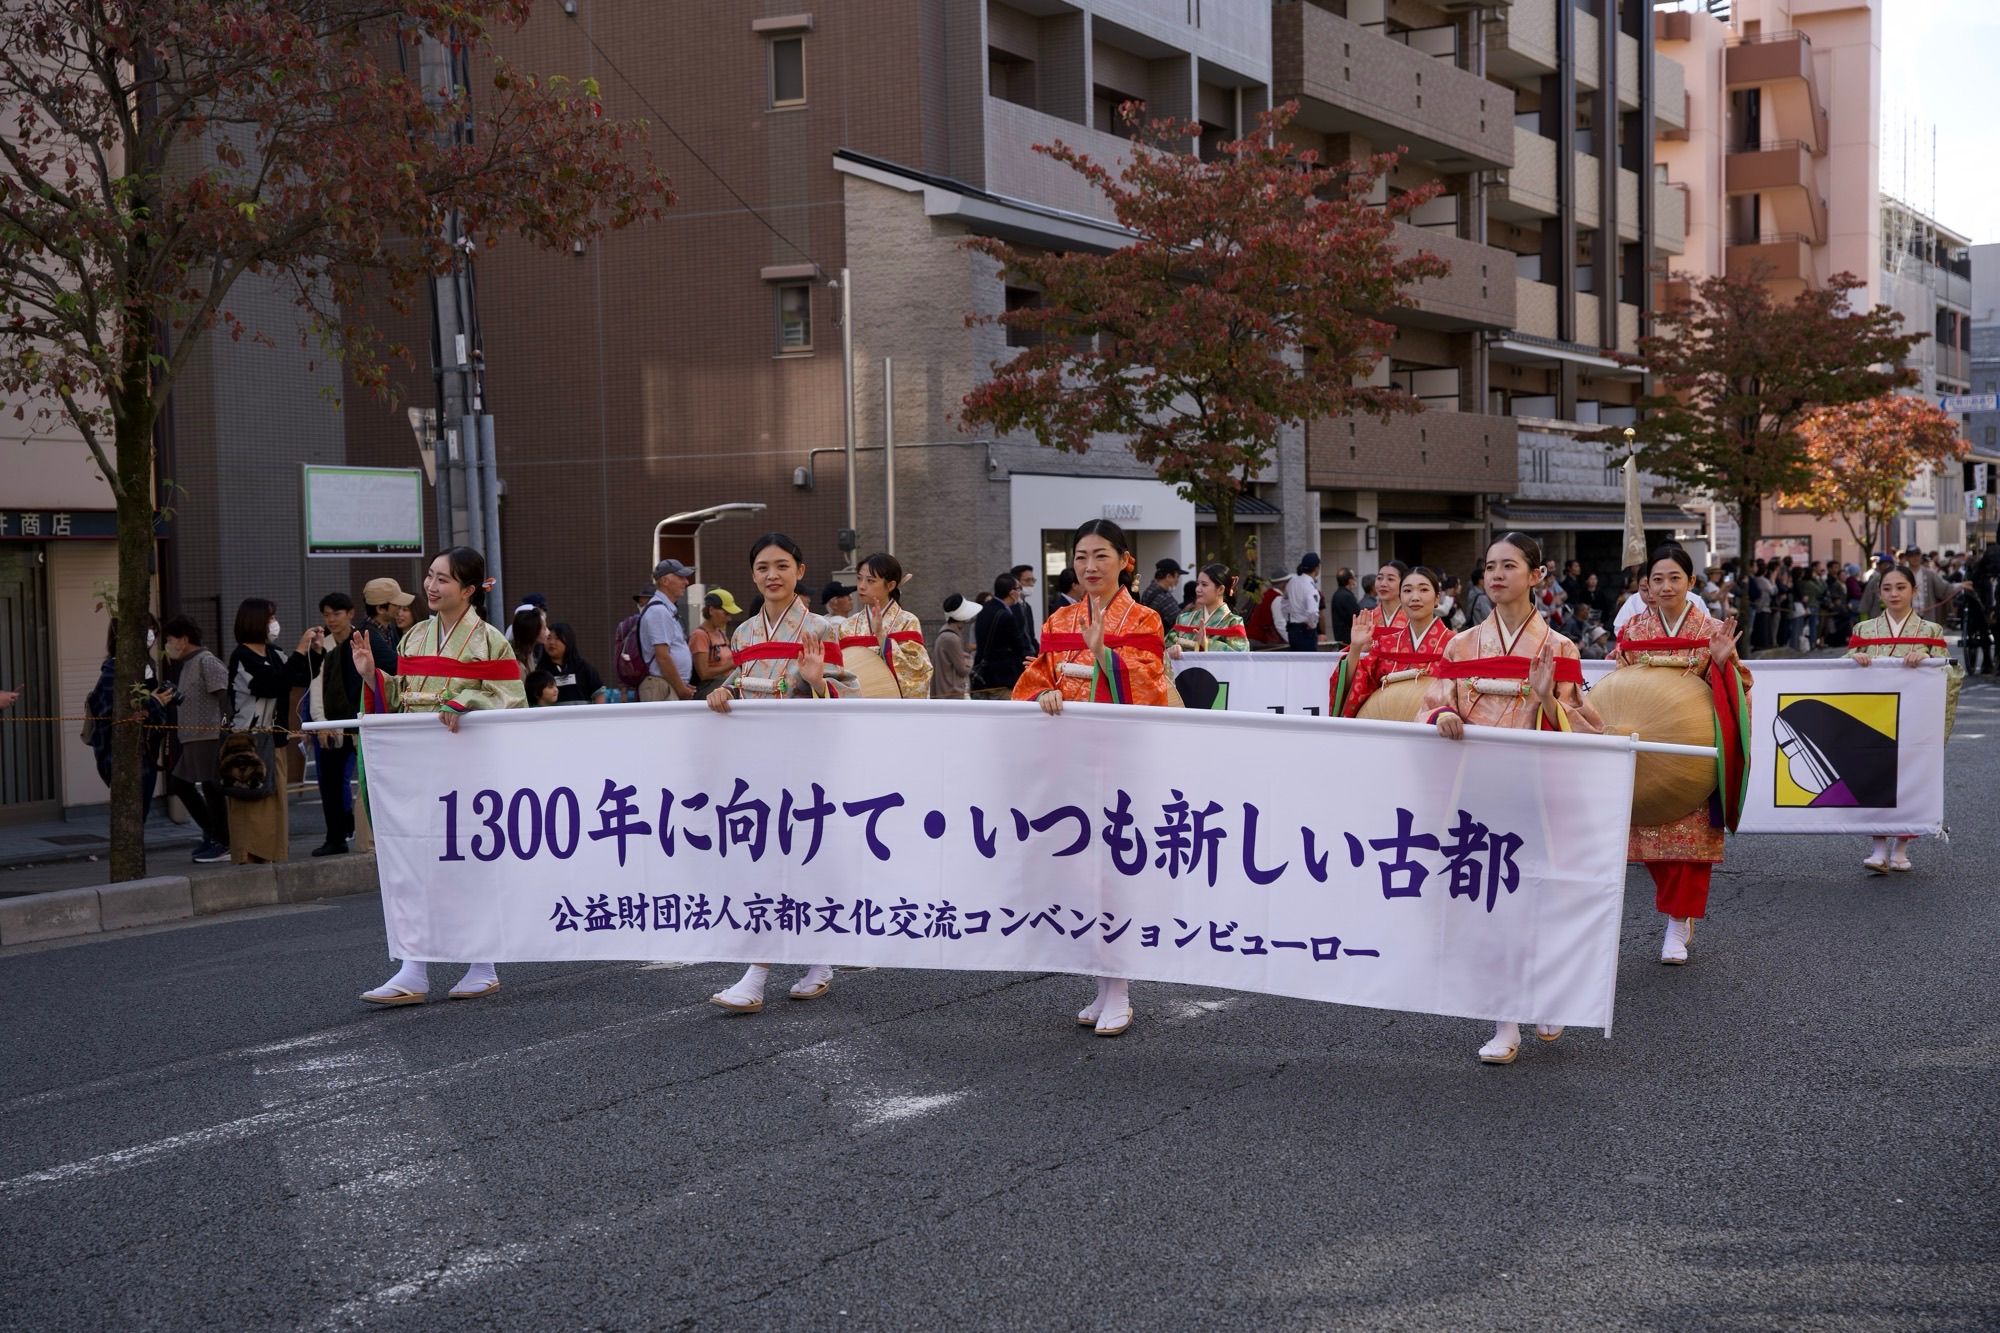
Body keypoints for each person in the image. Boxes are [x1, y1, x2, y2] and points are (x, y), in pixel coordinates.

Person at [1422, 533, 1598, 1065]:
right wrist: (1441, 715)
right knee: (1490, 903)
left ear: (1536, 575)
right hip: (1477, 789)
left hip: (1538, 792)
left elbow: (1587, 726)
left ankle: (1545, 991)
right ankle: (1505, 1019)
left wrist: (1548, 700)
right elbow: (1432, 702)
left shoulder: (1560, 647)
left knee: (1540, 898)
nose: (1496, 575)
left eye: (1509, 566)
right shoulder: (1460, 645)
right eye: (1490, 567)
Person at [1014, 519, 1170, 1037]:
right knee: (1081, 870)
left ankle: (1119, 986)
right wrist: (1043, 693)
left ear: (1125, 561)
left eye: (1101, 555)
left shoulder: (1145, 617)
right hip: (1070, 758)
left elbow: (1151, 687)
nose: (1090, 566)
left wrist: (1103, 655)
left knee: (1115, 870)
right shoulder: (1060, 618)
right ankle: (1102, 984)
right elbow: (1035, 678)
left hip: (1121, 757)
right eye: (1081, 556)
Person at [352, 545, 525, 1005]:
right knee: (414, 861)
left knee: (469, 861)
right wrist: (372, 676)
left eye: (442, 579)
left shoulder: (491, 640)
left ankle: (483, 963)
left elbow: (511, 699)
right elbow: (402, 697)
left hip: (467, 766)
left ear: (468, 589)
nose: (430, 586)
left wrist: (467, 701)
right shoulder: (413, 637)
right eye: (430, 575)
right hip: (417, 764)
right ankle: (414, 967)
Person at [704, 533, 855, 1013]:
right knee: (775, 860)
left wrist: (816, 681)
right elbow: (741, 681)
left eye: (782, 566)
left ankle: (758, 972)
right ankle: (820, 958)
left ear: (800, 571)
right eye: (763, 567)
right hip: (755, 763)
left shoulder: (821, 628)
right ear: (753, 575)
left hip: (805, 761)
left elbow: (849, 693)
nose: (773, 575)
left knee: (788, 859)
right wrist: (723, 691)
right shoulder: (744, 633)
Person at [1614, 545, 1748, 966]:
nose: (1666, 586)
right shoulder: (1633, 630)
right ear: (1647, 586)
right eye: (1657, 579)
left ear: (1691, 582)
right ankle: (1677, 911)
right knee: (1650, 836)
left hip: (1693, 749)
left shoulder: (1712, 629)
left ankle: (1676, 921)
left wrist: (1722, 663)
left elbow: (1741, 687)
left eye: (1675, 578)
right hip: (1650, 749)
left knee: (1690, 847)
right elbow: (1621, 685)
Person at [1848, 565, 1949, 874]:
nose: (1894, 594)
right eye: (1887, 588)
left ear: (1914, 591)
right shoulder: (1864, 629)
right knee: (1874, 778)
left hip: (1915, 717)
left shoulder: (1930, 631)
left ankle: (1901, 846)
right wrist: (1854, 660)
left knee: (1910, 778)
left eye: (1901, 587)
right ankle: (1878, 847)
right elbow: (1840, 669)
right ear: (1879, 593)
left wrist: (1929, 660)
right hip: (1873, 717)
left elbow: (1951, 671)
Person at [289, 591, 394, 857]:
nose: (331, 619)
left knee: (368, 778)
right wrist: (321, 723)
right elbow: (315, 686)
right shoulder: (321, 644)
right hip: (332, 721)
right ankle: (335, 837)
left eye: (336, 613)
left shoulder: (360, 640)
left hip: (361, 718)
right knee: (330, 781)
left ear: (350, 614)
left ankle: (372, 835)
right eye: (327, 615)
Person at [225, 599, 293, 866]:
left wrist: (315, 652)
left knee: (274, 801)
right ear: (255, 622)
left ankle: (272, 855)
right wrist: (300, 652)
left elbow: (296, 676)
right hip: (248, 741)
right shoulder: (242, 656)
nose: (274, 624)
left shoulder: (275, 653)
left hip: (274, 739)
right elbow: (268, 685)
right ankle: (249, 857)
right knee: (251, 800)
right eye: (270, 618)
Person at [159, 615, 232, 862]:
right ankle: (213, 834)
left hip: (209, 735)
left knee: (212, 788)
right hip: (192, 737)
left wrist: (225, 732)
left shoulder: (206, 661)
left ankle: (222, 841)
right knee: (181, 784)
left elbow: (225, 697)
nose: (168, 645)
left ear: (184, 639)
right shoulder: (188, 664)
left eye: (170, 639)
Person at [85, 615, 166, 833]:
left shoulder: (147, 666)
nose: (150, 634)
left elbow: (148, 709)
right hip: (124, 753)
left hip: (147, 751)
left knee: (140, 815)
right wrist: (154, 702)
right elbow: (115, 712)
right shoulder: (114, 669)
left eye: (153, 629)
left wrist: (157, 703)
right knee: (131, 818)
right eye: (146, 628)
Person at [1336, 565, 1452, 717]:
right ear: (1400, 596)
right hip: (1387, 724)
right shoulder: (1385, 644)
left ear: (1437, 598)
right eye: (1407, 591)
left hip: (1434, 726)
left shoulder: (1455, 644)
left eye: (1423, 590)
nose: (1415, 597)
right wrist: (1356, 648)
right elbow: (1354, 687)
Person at [838, 552, 932, 697]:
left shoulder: (907, 621)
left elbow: (917, 672)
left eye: (870, 581)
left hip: (892, 704)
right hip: (858, 701)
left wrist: (881, 636)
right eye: (859, 579)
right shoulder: (847, 625)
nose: (861, 586)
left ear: (890, 585)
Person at [639, 558, 697, 702]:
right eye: (681, 577)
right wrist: (681, 688)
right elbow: (663, 657)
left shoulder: (664, 609)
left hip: (666, 684)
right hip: (662, 687)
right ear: (665, 581)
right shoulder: (659, 611)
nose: (686, 582)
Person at [1167, 563, 1248, 656]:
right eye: (1198, 584)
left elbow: (1240, 656)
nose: (1198, 589)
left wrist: (1207, 644)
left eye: (1204, 585)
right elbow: (1165, 647)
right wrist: (1172, 649)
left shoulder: (1233, 622)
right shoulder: (1183, 619)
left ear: (1220, 589)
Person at [970, 573, 1031, 692]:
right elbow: (1018, 647)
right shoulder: (1006, 616)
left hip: (981, 674)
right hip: (1001, 677)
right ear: (1012, 593)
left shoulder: (984, 608)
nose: (1020, 592)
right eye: (1018, 589)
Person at [688, 588, 742, 690]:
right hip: (708, 689)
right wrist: (732, 664)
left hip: (725, 683)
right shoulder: (700, 635)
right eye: (726, 613)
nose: (729, 618)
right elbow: (704, 673)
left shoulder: (720, 633)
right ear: (711, 610)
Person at [541, 621, 606, 703]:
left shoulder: (583, 667)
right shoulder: (541, 671)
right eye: (548, 638)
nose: (551, 642)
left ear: (568, 641)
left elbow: (599, 693)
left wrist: (597, 710)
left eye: (557, 638)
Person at [930, 594, 980, 698]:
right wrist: (969, 656)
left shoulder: (946, 635)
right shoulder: (951, 638)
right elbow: (963, 670)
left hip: (946, 693)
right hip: (951, 693)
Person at [1281, 553, 1322, 652]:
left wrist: (1288, 618)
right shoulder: (1310, 587)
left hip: (1292, 629)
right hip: (1305, 631)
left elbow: (1284, 604)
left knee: (1295, 659)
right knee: (1308, 660)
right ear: (1317, 568)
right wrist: (1312, 625)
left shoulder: (1292, 582)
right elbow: (1312, 611)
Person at [363, 577, 414, 649]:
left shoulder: (390, 629)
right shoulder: (367, 637)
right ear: (380, 609)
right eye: (396, 604)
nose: (399, 608)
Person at [1139, 558, 1184, 628]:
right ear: (1168, 576)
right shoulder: (1165, 598)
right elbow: (1181, 623)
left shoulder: (1148, 591)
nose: (1177, 581)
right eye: (1177, 577)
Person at [1011, 563, 1041, 652]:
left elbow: (1031, 636)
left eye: (1033, 580)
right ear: (1016, 582)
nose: (1031, 584)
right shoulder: (1010, 607)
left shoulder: (1027, 607)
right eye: (1027, 580)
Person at [509, 605, 548, 674]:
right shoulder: (516, 664)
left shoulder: (528, 653)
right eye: (544, 628)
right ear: (534, 631)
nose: (548, 632)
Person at [1327, 567, 1360, 645]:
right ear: (1350, 580)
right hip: (1348, 638)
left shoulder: (1337, 594)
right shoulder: (1347, 596)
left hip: (1340, 637)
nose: (1355, 580)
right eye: (1353, 577)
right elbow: (1357, 616)